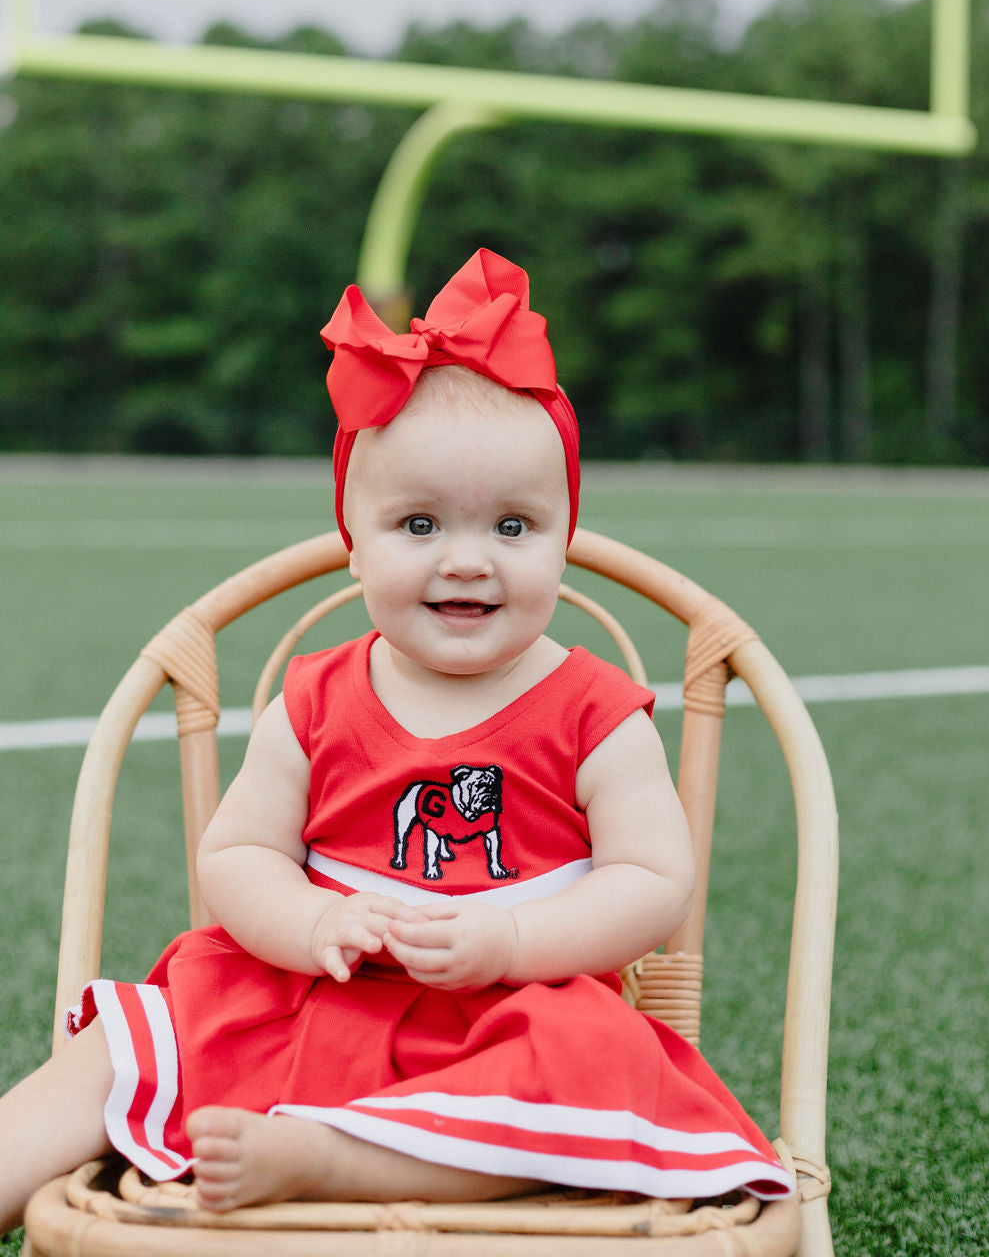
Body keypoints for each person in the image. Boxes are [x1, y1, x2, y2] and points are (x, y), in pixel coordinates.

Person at [0, 249, 794, 1230]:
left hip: (506, 1004)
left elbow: (652, 881)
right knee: (123, 1044)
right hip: (308, 990)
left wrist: (508, 940)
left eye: (513, 526)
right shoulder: (316, 697)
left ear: (562, 533)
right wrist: (311, 925)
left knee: (586, 1068)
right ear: (354, 537)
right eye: (418, 525)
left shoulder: (593, 709)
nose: (468, 560)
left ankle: (331, 1158)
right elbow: (239, 852)